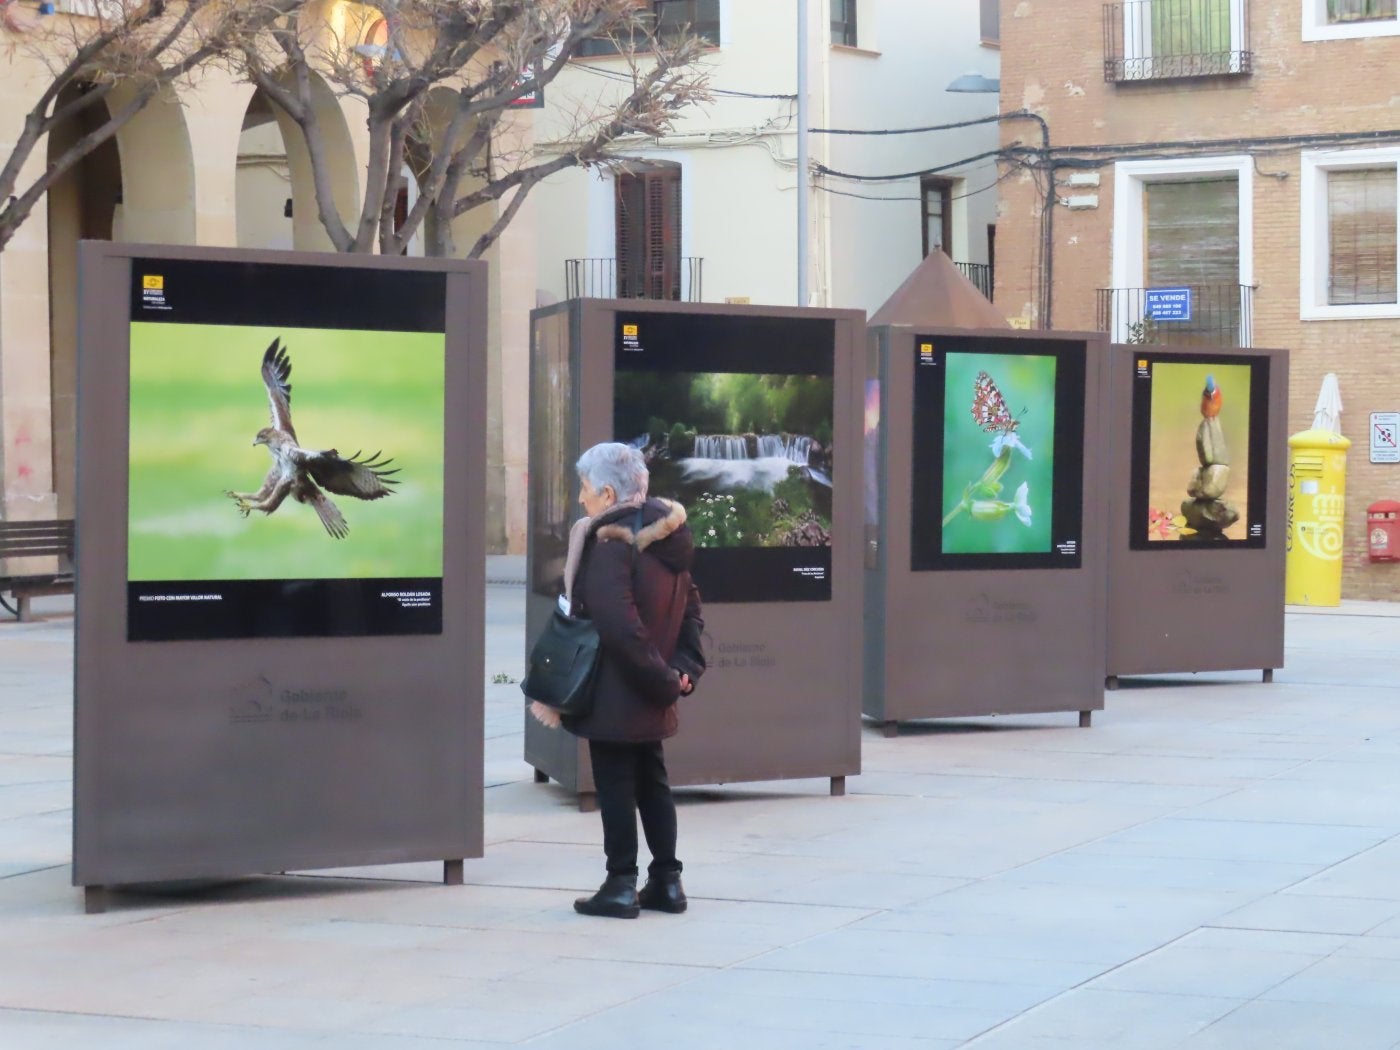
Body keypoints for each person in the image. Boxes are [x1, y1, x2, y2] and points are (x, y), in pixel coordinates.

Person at [533, 442, 704, 918]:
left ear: (608, 493)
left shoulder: (610, 543)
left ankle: (621, 884)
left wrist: (663, 678)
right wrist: (681, 672)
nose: (582, 500)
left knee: (615, 783)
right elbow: (691, 607)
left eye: (585, 490)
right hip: (654, 687)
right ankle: (668, 883)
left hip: (617, 689)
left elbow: (618, 627)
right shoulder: (670, 536)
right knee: (653, 781)